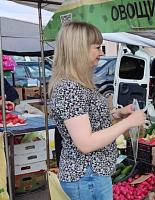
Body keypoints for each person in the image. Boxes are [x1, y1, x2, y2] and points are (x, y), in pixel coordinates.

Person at [48, 21, 146, 199]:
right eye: (97, 47)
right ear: (79, 48)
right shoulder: (70, 88)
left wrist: (117, 114)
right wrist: (129, 123)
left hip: (90, 174)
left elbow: (84, 121)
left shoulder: (76, 83)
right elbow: (85, 143)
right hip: (87, 175)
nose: (101, 52)